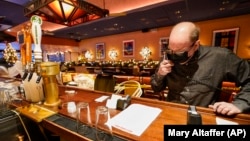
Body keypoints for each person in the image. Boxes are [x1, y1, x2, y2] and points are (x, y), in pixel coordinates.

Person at [151, 21, 250, 116]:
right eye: (171, 50)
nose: (174, 55)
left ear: (196, 45)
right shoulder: (167, 57)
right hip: (172, 112)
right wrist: (160, 74)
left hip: (203, 116)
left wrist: (239, 104)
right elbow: (156, 88)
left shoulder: (221, 56)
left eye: (180, 52)